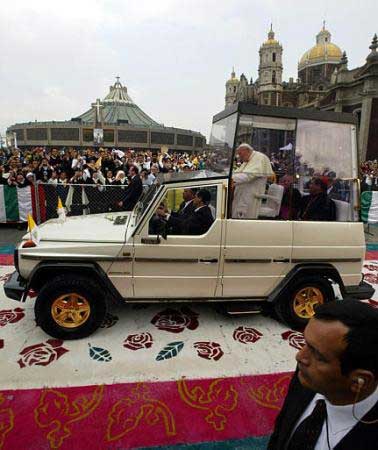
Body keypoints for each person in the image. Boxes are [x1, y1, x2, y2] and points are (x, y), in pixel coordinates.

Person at [268, 300, 378, 450]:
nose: (300, 356)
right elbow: (281, 430)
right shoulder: (308, 375)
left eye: (319, 356)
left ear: (360, 381)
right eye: (305, 343)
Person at [232, 143, 274, 219]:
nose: (239, 156)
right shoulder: (248, 159)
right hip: (243, 194)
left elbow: (248, 175)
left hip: (251, 195)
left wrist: (231, 179)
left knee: (245, 218)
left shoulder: (259, 158)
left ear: (247, 151)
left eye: (240, 153)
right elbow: (238, 173)